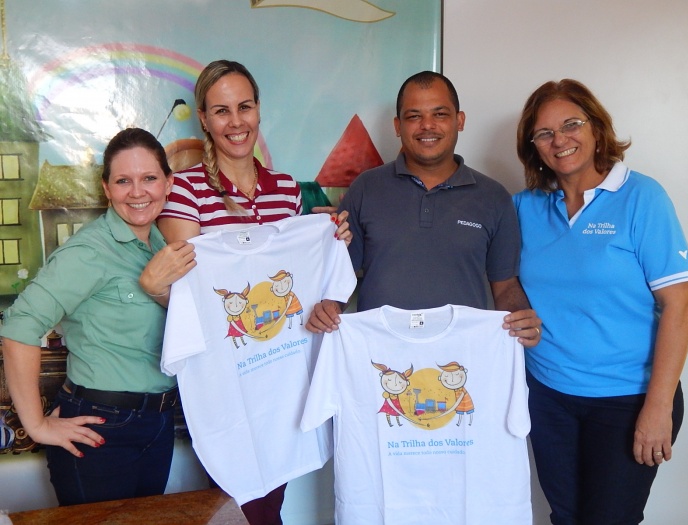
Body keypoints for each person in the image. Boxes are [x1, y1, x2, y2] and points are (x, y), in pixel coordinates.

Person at [139, 59, 349, 525]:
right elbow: (188, 292)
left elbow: (298, 280)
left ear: (258, 110)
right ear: (203, 118)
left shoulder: (286, 190)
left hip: (280, 373)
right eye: (221, 111)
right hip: (226, 372)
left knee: (269, 499)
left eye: (245, 107)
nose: (236, 122)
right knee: (235, 498)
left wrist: (329, 242)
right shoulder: (185, 191)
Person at [513, 79, 688, 525]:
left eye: (571, 124)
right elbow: (476, 255)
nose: (559, 140)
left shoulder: (642, 198)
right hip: (549, 395)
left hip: (628, 398)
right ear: (533, 146)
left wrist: (658, 407)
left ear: (596, 127)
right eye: (544, 133)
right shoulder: (524, 207)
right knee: (566, 516)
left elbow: (680, 305)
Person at [0, 128, 195, 506]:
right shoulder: (89, 252)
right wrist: (37, 425)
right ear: (106, 188)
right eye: (123, 181)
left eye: (149, 178)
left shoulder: (161, 246)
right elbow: (19, 325)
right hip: (102, 429)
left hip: (157, 424)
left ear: (168, 183)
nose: (137, 192)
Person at [306, 70, 541, 347]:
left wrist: (520, 317)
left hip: (461, 357)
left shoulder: (494, 197)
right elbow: (341, 276)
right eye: (414, 116)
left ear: (459, 120)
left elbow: (505, 285)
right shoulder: (366, 188)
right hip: (376, 355)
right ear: (398, 126)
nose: (427, 125)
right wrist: (329, 307)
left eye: (439, 114)